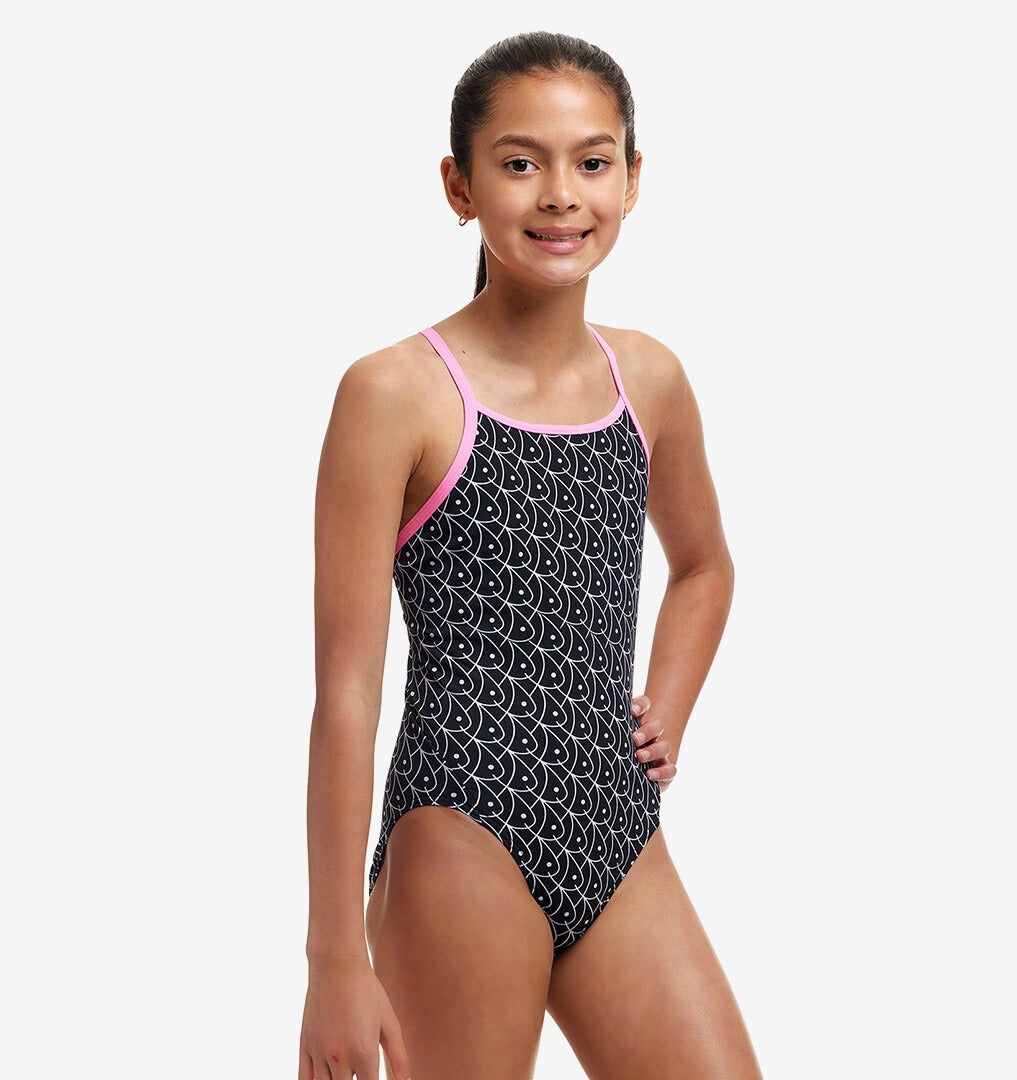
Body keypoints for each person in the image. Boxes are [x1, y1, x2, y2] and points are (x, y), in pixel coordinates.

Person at [298, 30, 763, 1080]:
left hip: (617, 826)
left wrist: (669, 704)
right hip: (461, 827)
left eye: (591, 161)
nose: (560, 194)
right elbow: (346, 690)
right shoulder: (395, 393)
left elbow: (705, 565)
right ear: (460, 187)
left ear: (632, 181)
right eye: (520, 162)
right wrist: (332, 959)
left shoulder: (649, 379)